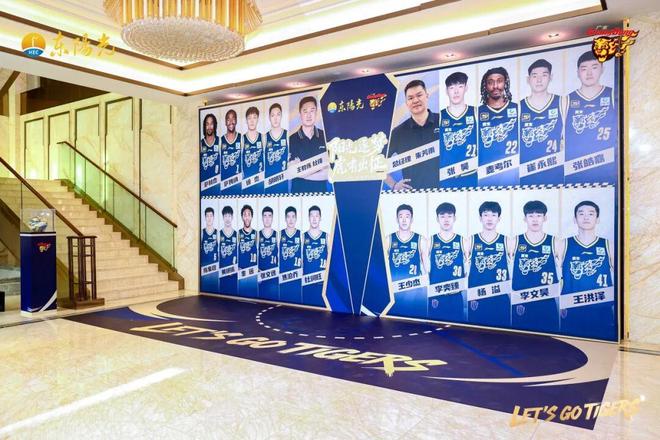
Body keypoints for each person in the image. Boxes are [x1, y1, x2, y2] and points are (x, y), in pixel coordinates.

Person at [560, 201, 615, 340]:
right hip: (572, 308)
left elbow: (621, 280)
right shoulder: (563, 244)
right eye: (581, 214)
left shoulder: (608, 245)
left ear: (597, 219)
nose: (586, 217)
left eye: (591, 214)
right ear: (575, 219)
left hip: (601, 308)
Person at [564, 51, 617, 184]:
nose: (589, 73)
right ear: (578, 72)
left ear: (602, 69)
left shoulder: (612, 95)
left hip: (607, 169)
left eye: (594, 67)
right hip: (574, 170)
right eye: (584, 69)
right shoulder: (567, 100)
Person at [509, 200, 560, 333]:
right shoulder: (515, 241)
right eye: (531, 215)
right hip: (522, 300)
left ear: (545, 218)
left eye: (539, 215)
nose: (535, 219)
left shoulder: (554, 242)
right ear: (525, 218)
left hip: (546, 299)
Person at [386, 80, 440, 190]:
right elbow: (377, 164)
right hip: (412, 194)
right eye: (410, 98)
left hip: (444, 192)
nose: (415, 100)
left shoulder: (444, 121)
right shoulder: (398, 132)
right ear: (406, 103)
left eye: (419, 95)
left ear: (427, 96)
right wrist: (393, 185)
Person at [519, 59, 564, 185]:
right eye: (535, 76)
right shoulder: (519, 107)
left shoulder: (562, 102)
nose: (539, 80)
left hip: (554, 172)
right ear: (528, 79)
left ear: (551, 77)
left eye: (544, 75)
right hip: (526, 173)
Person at [466, 201, 511, 327]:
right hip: (478, 296)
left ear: (499, 218)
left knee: (502, 332)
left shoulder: (507, 241)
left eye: (493, 215)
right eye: (486, 215)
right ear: (480, 218)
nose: (489, 219)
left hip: (500, 296)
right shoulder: (470, 240)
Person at [384, 204, 429, 319]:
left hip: (413, 290)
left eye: (407, 216)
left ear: (412, 219)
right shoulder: (389, 239)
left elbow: (427, 268)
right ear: (396, 219)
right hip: (394, 290)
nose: (404, 220)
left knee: (413, 322)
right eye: (401, 216)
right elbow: (382, 265)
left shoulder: (420, 240)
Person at [477, 67, 519, 186]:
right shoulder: (477, 112)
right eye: (490, 82)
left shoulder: (518, 109)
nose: (495, 86)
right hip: (485, 176)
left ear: (505, 83)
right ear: (485, 86)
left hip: (512, 176)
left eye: (499, 81)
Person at [428, 203, 468, 323]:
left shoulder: (462, 241)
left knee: (457, 328)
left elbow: (468, 270)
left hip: (455, 295)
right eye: (442, 216)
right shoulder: (430, 241)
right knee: (435, 330)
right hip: (436, 295)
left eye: (449, 216)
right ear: (437, 219)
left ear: (454, 218)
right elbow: (426, 270)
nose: (446, 219)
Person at [439, 73, 478, 188]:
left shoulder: (476, 112)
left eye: (460, 86)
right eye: (451, 87)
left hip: (470, 176)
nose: (456, 91)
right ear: (446, 91)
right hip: (446, 178)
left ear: (466, 88)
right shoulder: (440, 116)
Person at [288, 97, 330, 193]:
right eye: (305, 111)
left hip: (321, 195)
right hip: (299, 195)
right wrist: (319, 167)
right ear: (300, 114)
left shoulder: (325, 137)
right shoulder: (291, 140)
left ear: (316, 113)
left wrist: (302, 171)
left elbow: (328, 172)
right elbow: (292, 171)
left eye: (312, 111)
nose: (309, 115)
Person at [302, 205, 328, 307]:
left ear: (320, 218)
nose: (314, 219)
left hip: (321, 282)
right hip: (307, 282)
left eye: (316, 216)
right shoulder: (303, 236)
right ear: (308, 218)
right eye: (312, 216)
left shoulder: (326, 236)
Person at [279, 206, 303, 303]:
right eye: (288, 217)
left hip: (296, 276)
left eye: (293, 216)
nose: (291, 219)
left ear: (296, 218)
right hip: (283, 276)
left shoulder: (301, 234)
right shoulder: (280, 234)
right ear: (285, 219)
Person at [264, 103, 289, 194]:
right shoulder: (264, 137)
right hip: (269, 183)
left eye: (278, 115)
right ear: (269, 117)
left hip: (283, 183)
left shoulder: (287, 135)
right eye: (272, 115)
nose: (275, 118)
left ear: (281, 116)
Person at [257, 206, 279, 300]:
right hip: (261, 275)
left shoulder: (277, 235)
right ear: (262, 218)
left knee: (273, 299)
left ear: (272, 218)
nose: (267, 218)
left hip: (273, 275)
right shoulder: (258, 234)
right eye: (265, 216)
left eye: (269, 216)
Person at [241, 107, 264, 194]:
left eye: (254, 117)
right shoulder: (242, 139)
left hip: (260, 182)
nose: (252, 121)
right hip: (247, 183)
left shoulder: (263, 137)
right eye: (249, 118)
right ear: (246, 120)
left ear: (258, 119)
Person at [237, 204, 258, 298]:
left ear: (252, 217)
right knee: (241, 298)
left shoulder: (256, 234)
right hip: (241, 272)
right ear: (242, 217)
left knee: (253, 298)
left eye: (249, 214)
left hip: (253, 272)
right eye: (245, 215)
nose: (247, 217)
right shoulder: (238, 233)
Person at [219, 109, 242, 195]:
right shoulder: (220, 140)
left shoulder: (241, 138)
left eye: (233, 119)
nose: (231, 122)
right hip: (225, 185)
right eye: (228, 119)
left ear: (236, 121)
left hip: (238, 184)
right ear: (225, 122)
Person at [218, 205, 238, 295]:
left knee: (233, 296)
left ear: (232, 217)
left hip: (233, 273)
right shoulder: (219, 234)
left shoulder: (236, 234)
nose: (227, 218)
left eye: (229, 216)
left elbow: (238, 253)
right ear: (223, 217)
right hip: (222, 273)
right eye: (225, 216)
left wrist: (233, 266)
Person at [200, 207, 219, 293]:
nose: (209, 218)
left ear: (213, 217)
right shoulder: (202, 232)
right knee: (205, 289)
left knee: (214, 288)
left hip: (214, 266)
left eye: (211, 216)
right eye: (207, 216)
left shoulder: (217, 232)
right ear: (205, 217)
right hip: (204, 266)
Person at [200, 114, 220, 197]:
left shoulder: (220, 141)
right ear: (204, 126)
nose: (209, 127)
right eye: (207, 124)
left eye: (211, 124)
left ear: (215, 125)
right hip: (204, 186)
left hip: (217, 185)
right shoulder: (200, 143)